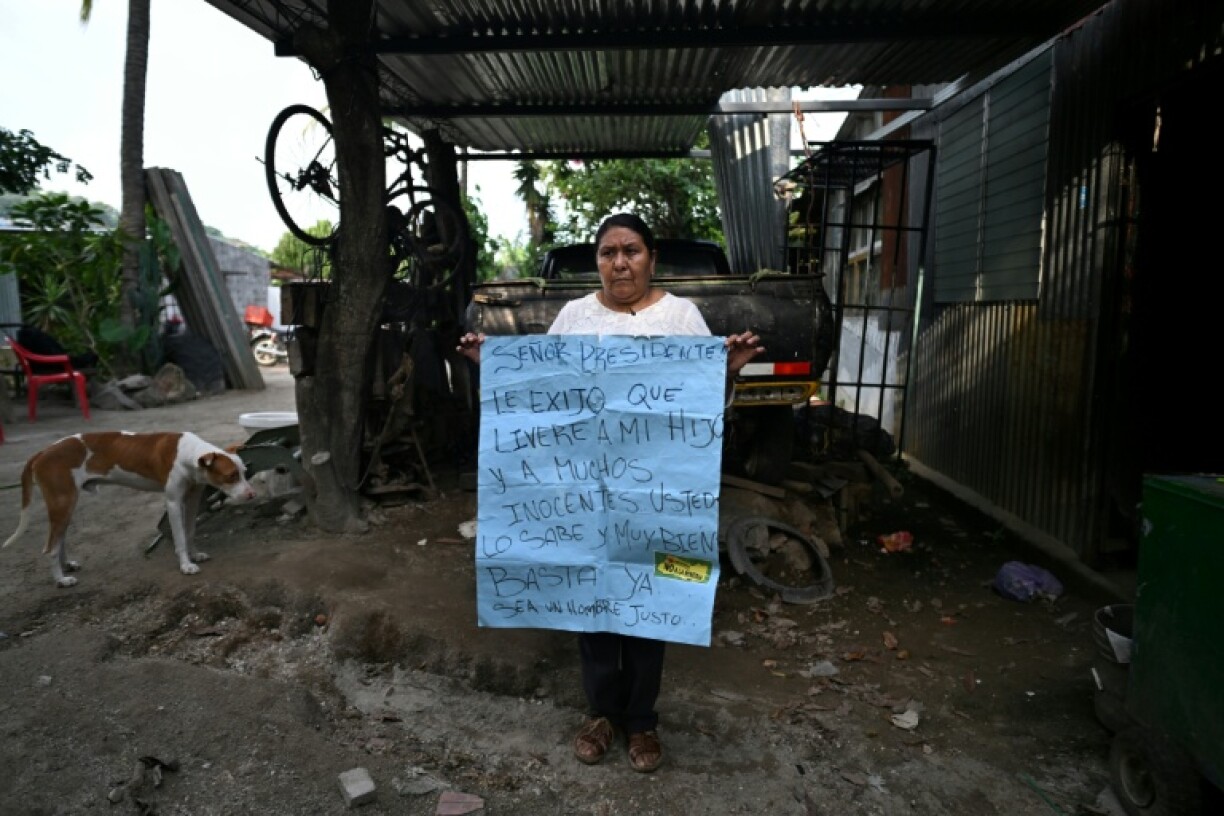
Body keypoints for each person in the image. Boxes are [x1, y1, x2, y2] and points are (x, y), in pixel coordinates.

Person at [457, 212, 764, 773]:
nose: (619, 262)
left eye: (631, 251)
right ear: (597, 261)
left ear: (652, 258)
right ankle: (601, 713)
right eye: (608, 253)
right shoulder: (574, 317)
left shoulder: (681, 316)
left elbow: (701, 411)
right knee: (593, 598)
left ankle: (642, 722)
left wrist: (731, 371)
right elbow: (539, 390)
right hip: (586, 494)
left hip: (660, 494)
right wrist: (492, 366)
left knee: (655, 598)